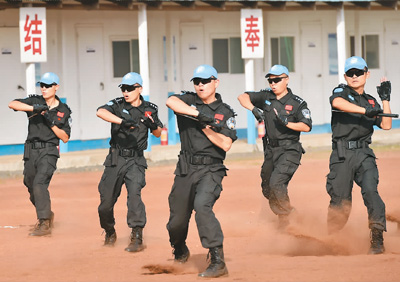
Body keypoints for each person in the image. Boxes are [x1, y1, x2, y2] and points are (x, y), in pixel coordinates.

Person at [166, 64, 237, 278]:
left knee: (202, 206)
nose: (200, 85)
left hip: (211, 169)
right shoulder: (189, 101)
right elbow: (171, 101)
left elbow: (225, 144)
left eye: (205, 81)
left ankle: (217, 260)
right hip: (186, 168)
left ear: (216, 82)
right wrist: (198, 114)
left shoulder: (225, 112)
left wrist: (205, 126)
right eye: (197, 81)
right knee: (176, 222)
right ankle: (179, 248)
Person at [326, 56, 393, 254]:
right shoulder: (341, 92)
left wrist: (385, 100)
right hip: (342, 154)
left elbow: (386, 125)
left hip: (364, 153)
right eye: (350, 73)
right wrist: (367, 111)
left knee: (371, 192)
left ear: (367, 74)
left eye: (358, 73)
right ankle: (331, 239)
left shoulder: (371, 101)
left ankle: (377, 238)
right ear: (345, 76)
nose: (354, 76)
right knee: (340, 202)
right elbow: (338, 103)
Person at [238, 65, 312, 229]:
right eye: (270, 80)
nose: (273, 83)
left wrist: (288, 123)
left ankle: (287, 219)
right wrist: (253, 109)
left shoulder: (297, 103)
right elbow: (242, 97)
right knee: (267, 188)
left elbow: (306, 126)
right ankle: (286, 212)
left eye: (277, 80)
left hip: (290, 150)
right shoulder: (266, 96)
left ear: (286, 80)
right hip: (271, 150)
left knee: (277, 183)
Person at [96, 72, 163, 252]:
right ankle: (109, 230)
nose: (126, 92)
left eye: (130, 88)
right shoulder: (117, 105)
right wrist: (122, 121)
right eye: (123, 88)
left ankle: (137, 235)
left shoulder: (150, 109)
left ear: (139, 89)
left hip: (135, 159)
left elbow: (158, 133)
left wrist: (153, 124)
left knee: (135, 196)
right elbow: (100, 112)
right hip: (116, 157)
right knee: (105, 203)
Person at [8, 72, 72, 236]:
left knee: (39, 183)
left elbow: (65, 137)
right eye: (42, 85)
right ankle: (47, 214)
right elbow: (12, 104)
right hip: (31, 150)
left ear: (56, 87)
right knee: (30, 184)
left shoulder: (63, 110)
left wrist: (50, 122)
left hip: (49, 151)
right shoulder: (35, 100)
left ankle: (44, 223)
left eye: (48, 85)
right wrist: (34, 108)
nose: (44, 89)